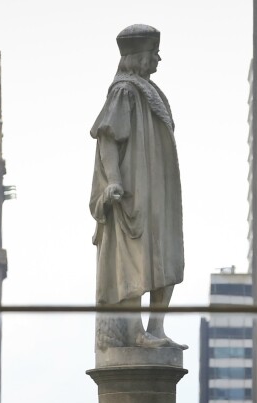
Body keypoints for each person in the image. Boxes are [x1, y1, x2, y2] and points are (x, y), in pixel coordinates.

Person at [90, 24, 186, 350]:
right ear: (139, 55)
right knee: (134, 260)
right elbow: (107, 138)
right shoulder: (124, 91)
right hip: (135, 191)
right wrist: (114, 181)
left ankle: (157, 328)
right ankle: (135, 332)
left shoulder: (149, 91)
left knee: (167, 255)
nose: (158, 58)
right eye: (154, 52)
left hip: (160, 190)